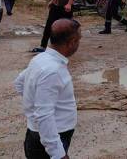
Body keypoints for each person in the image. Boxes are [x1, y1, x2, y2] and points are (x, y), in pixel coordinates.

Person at [15, 19, 81, 159]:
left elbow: (20, 83)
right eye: (79, 39)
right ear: (72, 42)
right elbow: (44, 115)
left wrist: (33, 106)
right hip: (47, 142)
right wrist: (58, 154)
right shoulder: (53, 71)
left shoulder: (40, 59)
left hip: (36, 135)